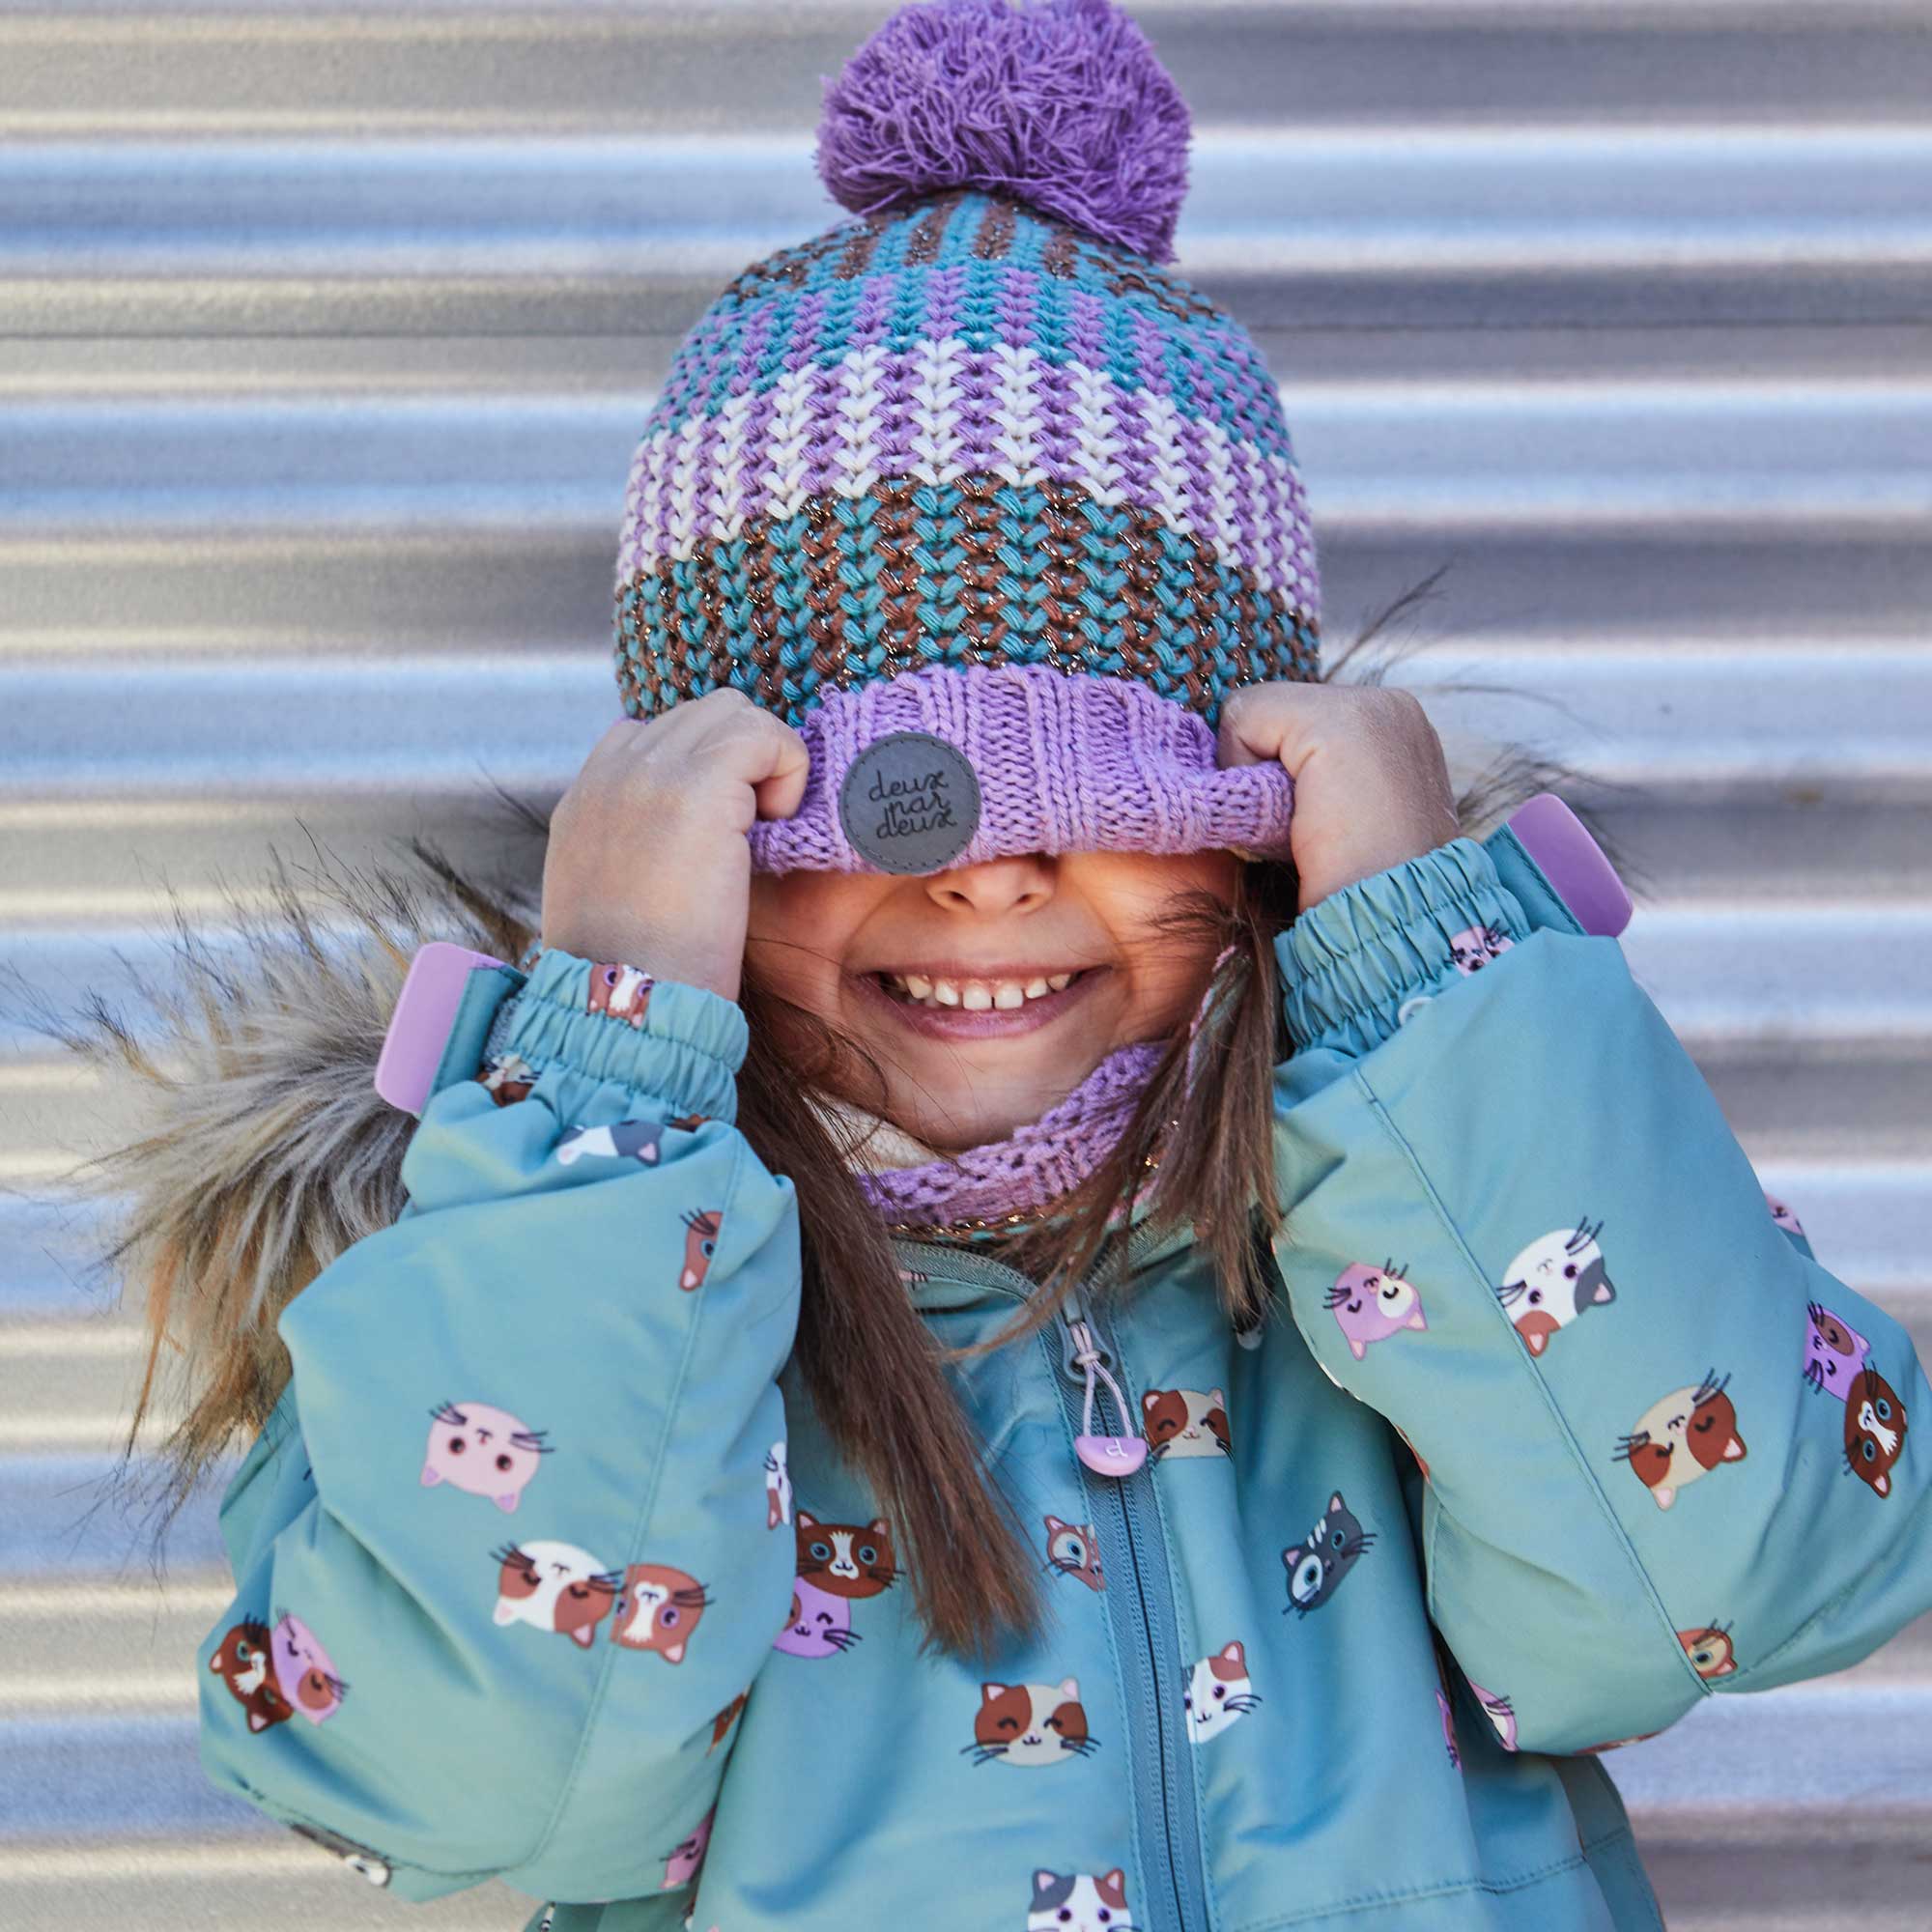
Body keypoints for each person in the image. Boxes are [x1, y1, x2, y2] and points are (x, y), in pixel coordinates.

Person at [105, 3, 1928, 1927]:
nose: (985, 885)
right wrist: (604, 1092)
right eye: (872, 809)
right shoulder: (527, 1251)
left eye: (1100, 794)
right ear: (698, 842)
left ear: (1257, 817)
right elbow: (473, 1785)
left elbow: (1744, 1578)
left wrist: (1424, 984)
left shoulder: (1428, 1174)